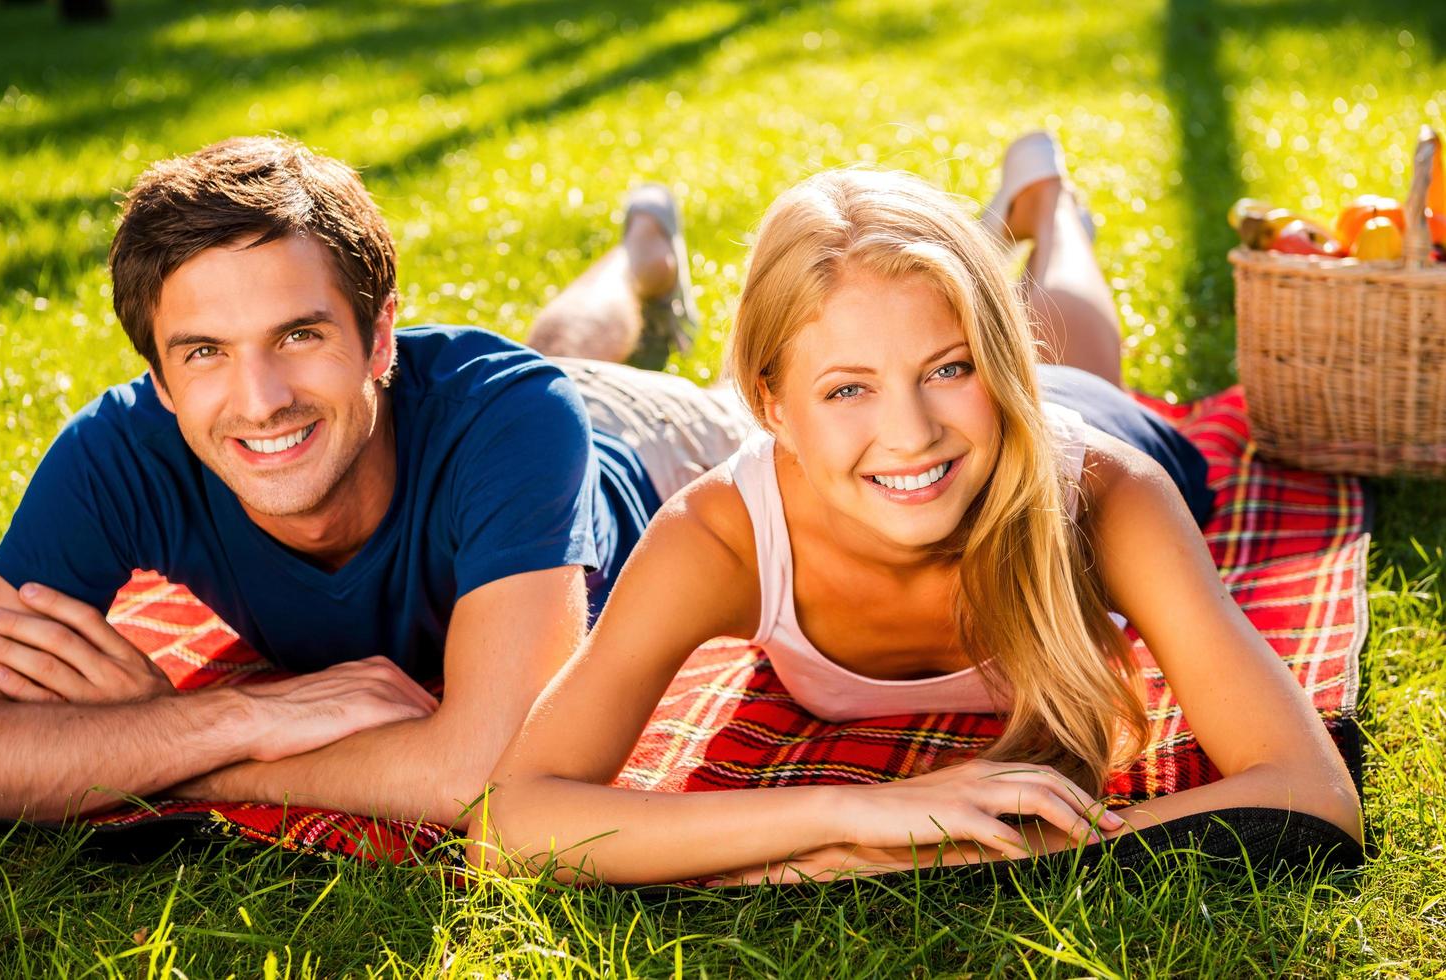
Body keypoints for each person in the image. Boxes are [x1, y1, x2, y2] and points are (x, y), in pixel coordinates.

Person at [482, 141, 1364, 885]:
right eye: (846, 388)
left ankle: (1052, 214)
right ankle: (653, 256)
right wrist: (860, 810)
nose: (908, 435)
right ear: (772, 406)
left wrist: (909, 852)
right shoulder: (720, 534)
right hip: (906, 429)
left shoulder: (1104, 493)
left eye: (952, 367)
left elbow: (1312, 793)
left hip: (1069, 413)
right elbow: (514, 818)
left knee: (1081, 355)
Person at [0, 136, 746, 824]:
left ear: (379, 338)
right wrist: (232, 718)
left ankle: (661, 275)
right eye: (205, 351)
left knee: (742, 405)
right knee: (559, 343)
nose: (260, 400)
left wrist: (162, 753)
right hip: (500, 402)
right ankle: (641, 257)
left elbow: (485, 776)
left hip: (648, 444)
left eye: (299, 335)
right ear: (161, 381)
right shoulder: (120, 454)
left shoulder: (515, 419)